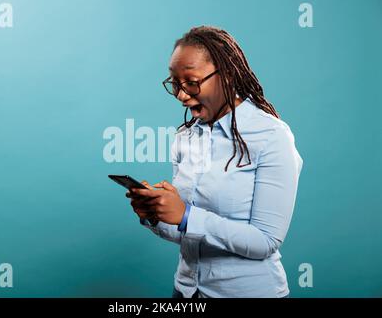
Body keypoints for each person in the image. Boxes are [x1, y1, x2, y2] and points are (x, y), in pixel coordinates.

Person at [126, 25, 303, 298]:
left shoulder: (271, 137)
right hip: (186, 292)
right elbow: (187, 234)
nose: (182, 95)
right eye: (175, 84)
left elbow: (265, 241)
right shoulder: (185, 137)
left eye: (192, 82)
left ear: (228, 74)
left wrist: (186, 214)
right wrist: (157, 215)